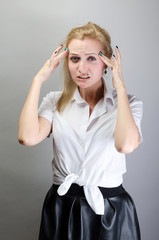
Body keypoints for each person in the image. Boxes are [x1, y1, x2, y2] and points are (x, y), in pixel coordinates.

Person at [18, 22, 143, 240]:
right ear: (66, 62)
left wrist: (119, 87)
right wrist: (38, 80)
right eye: (75, 58)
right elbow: (27, 138)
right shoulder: (55, 101)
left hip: (111, 210)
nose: (81, 68)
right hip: (62, 207)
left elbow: (125, 145)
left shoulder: (129, 104)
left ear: (107, 63)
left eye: (91, 58)